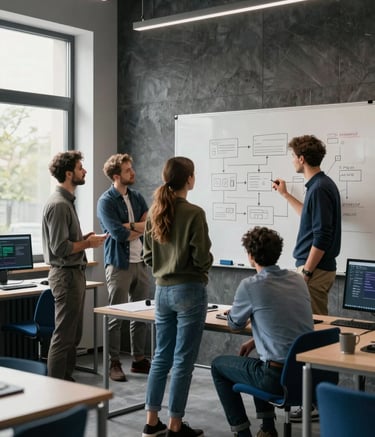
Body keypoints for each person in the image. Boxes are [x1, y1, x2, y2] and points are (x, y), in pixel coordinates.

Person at [211, 226, 313, 437]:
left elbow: (234, 325)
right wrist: (254, 341)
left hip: (276, 380)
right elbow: (285, 325)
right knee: (258, 360)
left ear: (250, 256)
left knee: (218, 366)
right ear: (278, 252)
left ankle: (242, 433)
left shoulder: (250, 286)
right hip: (306, 376)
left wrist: (239, 312)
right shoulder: (298, 279)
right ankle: (267, 429)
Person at [141, 157, 213, 437]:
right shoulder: (195, 213)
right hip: (190, 290)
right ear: (190, 180)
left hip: (162, 291)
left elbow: (148, 255)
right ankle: (175, 426)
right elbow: (202, 258)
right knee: (183, 360)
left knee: (161, 356)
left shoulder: (154, 211)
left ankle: (151, 421)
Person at [42, 151, 107, 381]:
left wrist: (85, 239)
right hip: (66, 276)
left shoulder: (66, 202)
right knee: (64, 336)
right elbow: (60, 248)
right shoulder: (59, 204)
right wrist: (87, 243)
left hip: (73, 275)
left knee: (73, 335)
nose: (85, 171)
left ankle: (66, 383)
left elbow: (67, 242)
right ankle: (58, 388)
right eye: (81, 167)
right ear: (69, 173)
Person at [272, 134, 341, 316]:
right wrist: (285, 195)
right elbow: (309, 216)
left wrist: (307, 272)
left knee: (313, 326)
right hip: (316, 268)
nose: (293, 161)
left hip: (315, 270)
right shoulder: (320, 185)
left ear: (302, 159)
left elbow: (322, 236)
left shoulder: (319, 189)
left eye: (293, 157)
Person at [97, 153, 151, 382]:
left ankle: (138, 360)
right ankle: (114, 363)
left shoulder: (137, 196)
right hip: (119, 263)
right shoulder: (106, 201)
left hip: (141, 262)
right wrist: (136, 228)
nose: (134, 173)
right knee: (116, 315)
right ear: (117, 176)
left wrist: (132, 226)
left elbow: (150, 225)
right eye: (129, 170)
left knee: (140, 314)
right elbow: (118, 234)